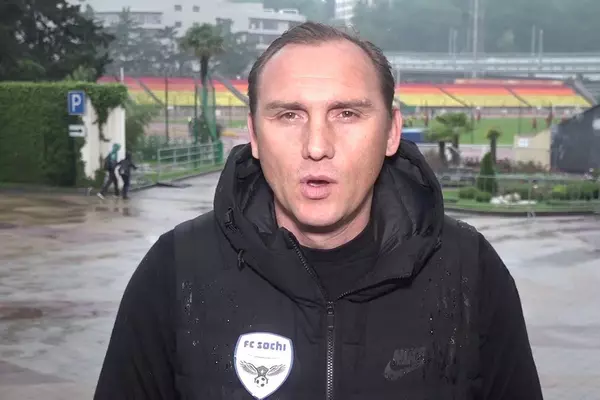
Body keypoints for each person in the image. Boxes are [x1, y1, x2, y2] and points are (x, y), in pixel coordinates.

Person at [94, 23, 543, 400]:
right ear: (254, 135)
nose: (316, 146)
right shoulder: (176, 269)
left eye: (346, 113)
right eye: (289, 115)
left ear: (392, 132)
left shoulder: (469, 272)